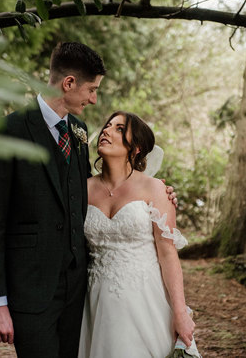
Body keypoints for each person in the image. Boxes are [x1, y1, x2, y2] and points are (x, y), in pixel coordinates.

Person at [0, 42, 177, 358]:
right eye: (92, 89)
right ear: (68, 83)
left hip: (79, 294)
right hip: (30, 290)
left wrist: (155, 192)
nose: (95, 99)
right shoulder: (8, 131)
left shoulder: (80, 133)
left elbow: (85, 195)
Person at [78, 111, 196, 358]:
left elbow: (167, 254)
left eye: (119, 129)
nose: (107, 131)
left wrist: (180, 312)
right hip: (94, 301)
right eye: (107, 126)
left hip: (145, 299)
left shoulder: (155, 189)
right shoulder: (82, 189)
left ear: (137, 148)